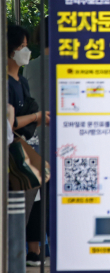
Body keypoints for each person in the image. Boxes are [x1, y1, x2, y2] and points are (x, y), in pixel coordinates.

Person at [7, 25, 49, 266]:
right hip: (12, 152)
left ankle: (32, 251)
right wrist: (35, 117)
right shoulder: (6, 82)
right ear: (9, 50)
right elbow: (9, 122)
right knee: (18, 200)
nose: (26, 51)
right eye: (21, 47)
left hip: (24, 147)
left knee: (35, 193)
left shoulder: (21, 80)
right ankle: (14, 254)